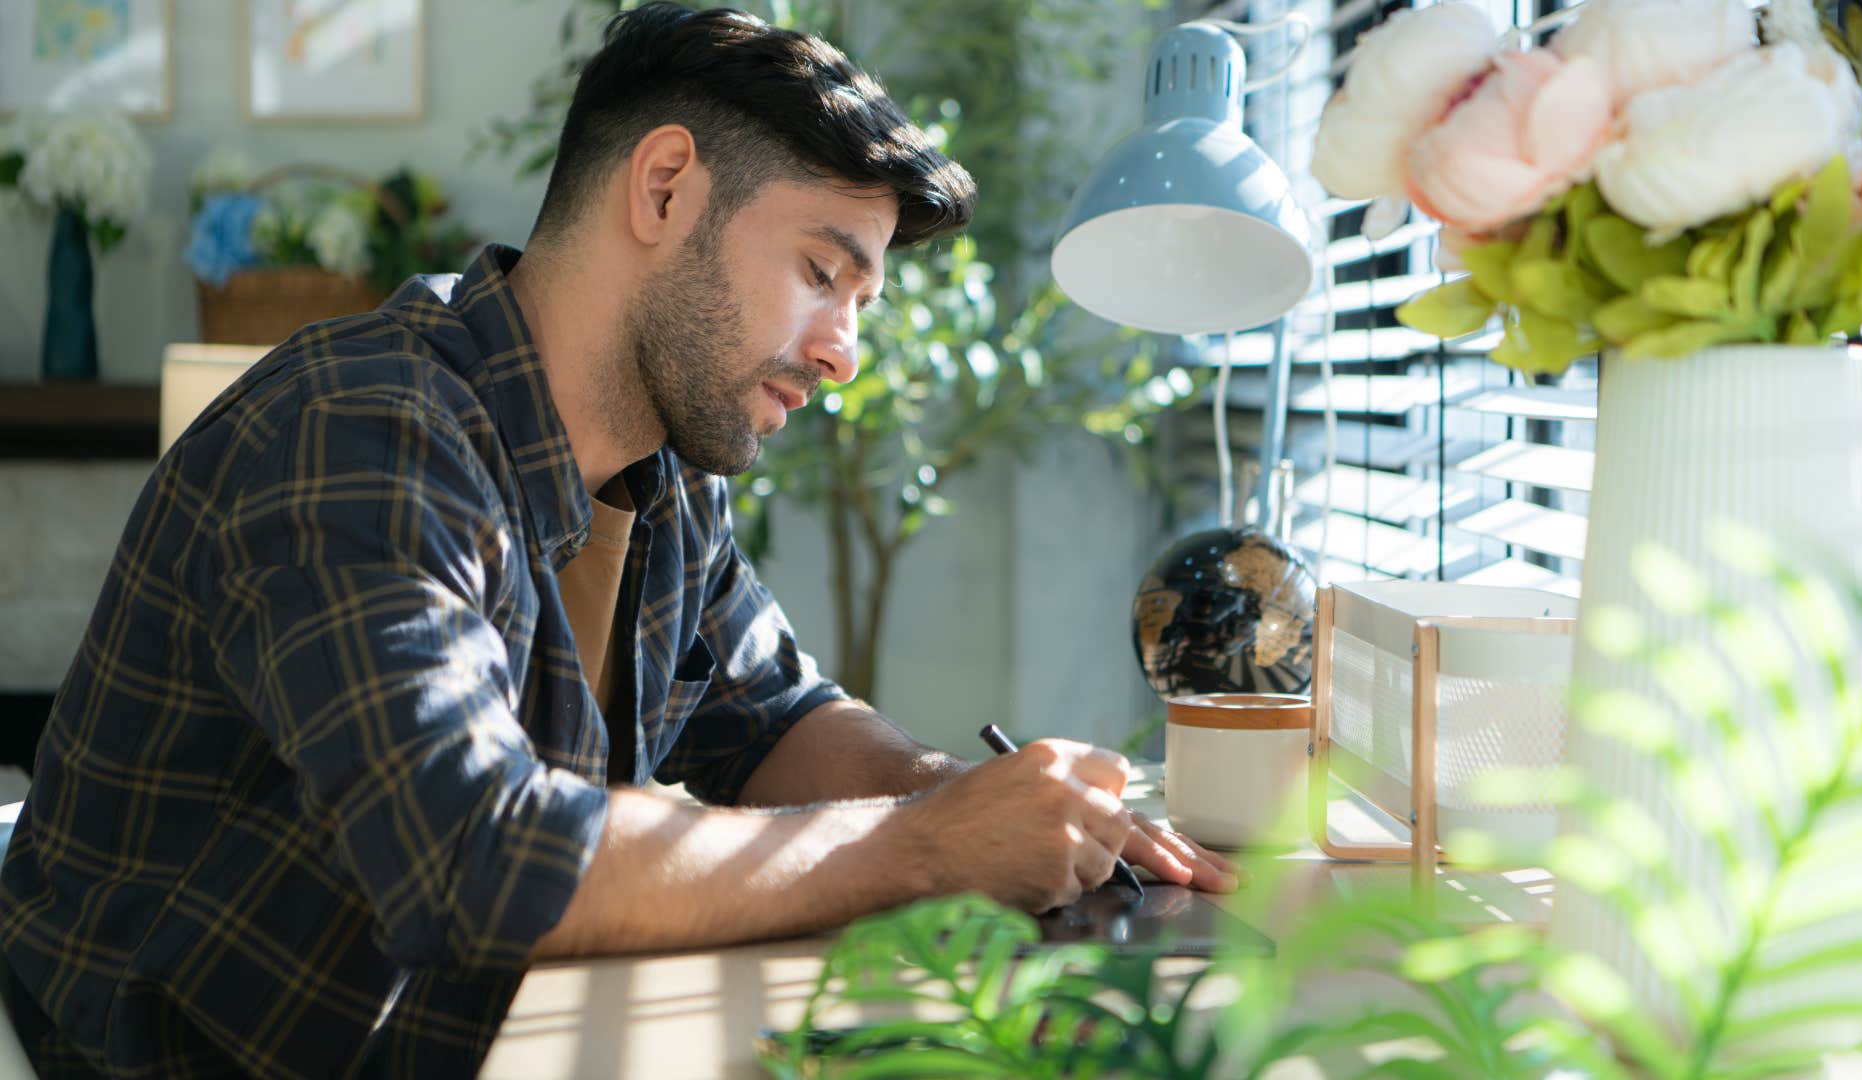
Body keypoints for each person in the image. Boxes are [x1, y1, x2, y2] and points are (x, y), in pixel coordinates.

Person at [0, 4, 1235, 1076]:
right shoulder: (358, 433)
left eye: (860, 304)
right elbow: (475, 862)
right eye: (822, 271)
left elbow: (775, 717)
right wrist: (925, 847)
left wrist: (958, 792)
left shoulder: (656, 466)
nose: (842, 350)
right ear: (663, 188)